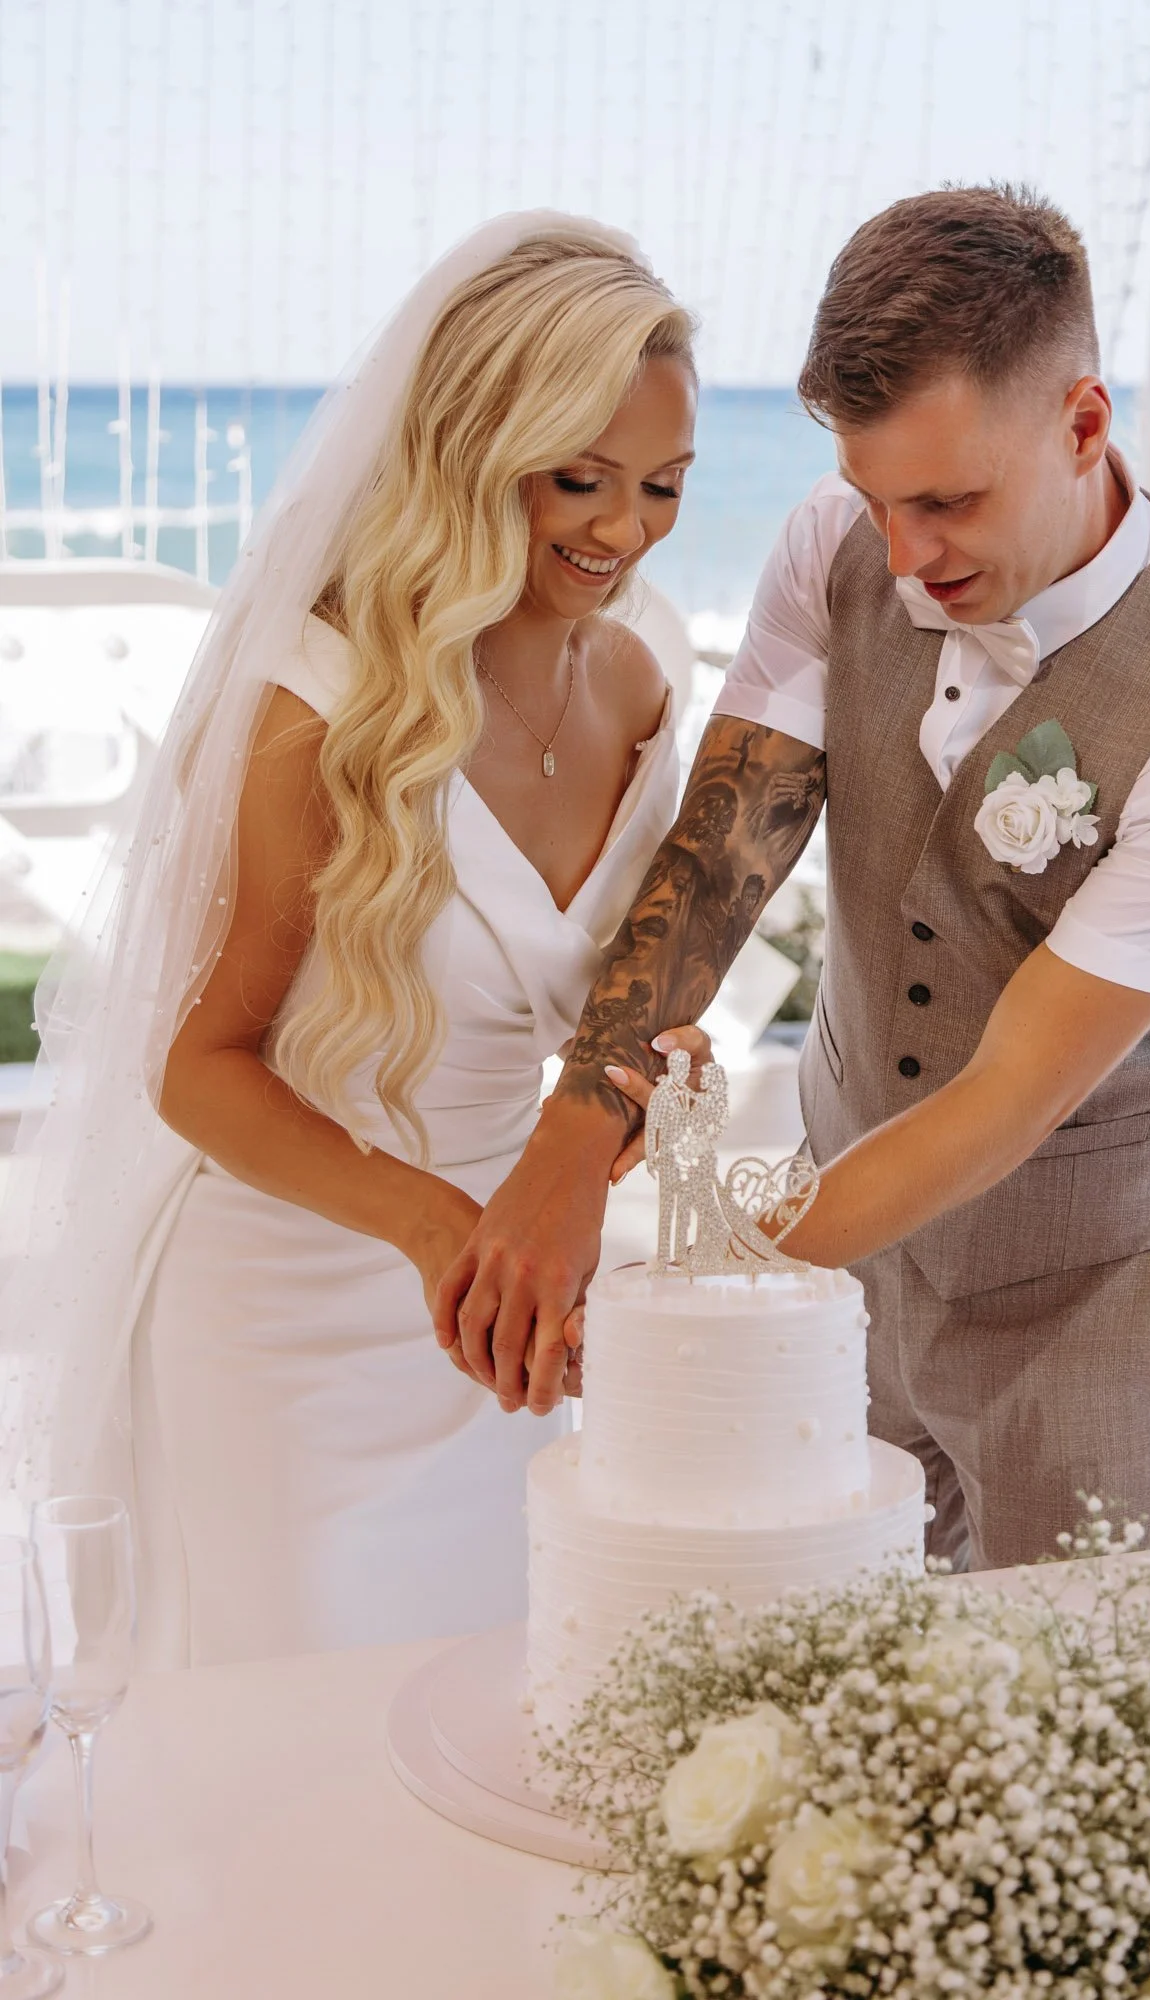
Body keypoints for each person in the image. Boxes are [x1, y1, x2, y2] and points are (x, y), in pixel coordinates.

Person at [439, 186, 1150, 1572]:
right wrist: (572, 1141)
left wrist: (693, 1280)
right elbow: (725, 856)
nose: (907, 559)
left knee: (1047, 1728)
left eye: (949, 502)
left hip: (1077, 1296)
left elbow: (1005, 1095)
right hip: (838, 1232)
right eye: (873, 499)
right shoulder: (837, 544)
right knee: (817, 1658)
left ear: (1084, 424)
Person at [0, 213, 706, 1665]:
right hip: (291, 1320)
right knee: (295, 1753)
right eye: (578, 479)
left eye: (664, 487)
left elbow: (605, 1012)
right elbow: (196, 1070)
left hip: (505, 1314)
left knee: (501, 1702)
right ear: (469, 446)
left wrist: (634, 1095)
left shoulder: (637, 681)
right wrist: (434, 1223)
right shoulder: (314, 711)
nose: (623, 531)